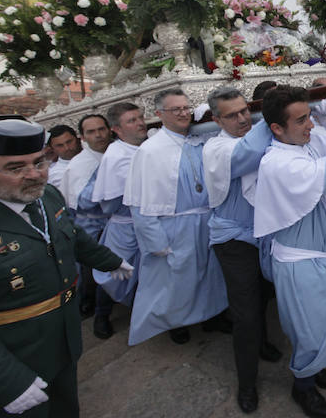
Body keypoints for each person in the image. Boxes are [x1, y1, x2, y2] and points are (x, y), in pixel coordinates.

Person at [0, 116, 132, 417]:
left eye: (39, 162)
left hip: (63, 340)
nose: (34, 175)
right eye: (15, 168)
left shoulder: (45, 195)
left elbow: (70, 235)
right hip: (12, 356)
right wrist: (6, 380)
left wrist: (109, 260)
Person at [253, 85, 326, 418]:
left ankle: (314, 368)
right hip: (300, 263)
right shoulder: (277, 162)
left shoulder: (306, 141)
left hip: (324, 254)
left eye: (309, 116)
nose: (310, 125)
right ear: (276, 128)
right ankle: (303, 386)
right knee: (308, 330)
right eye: (301, 120)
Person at [124, 88, 228, 345]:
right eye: (176, 109)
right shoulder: (150, 151)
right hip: (174, 226)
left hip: (205, 221)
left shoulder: (199, 138)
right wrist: (154, 241)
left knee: (210, 273)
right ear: (160, 114)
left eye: (186, 107)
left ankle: (212, 315)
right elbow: (139, 203)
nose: (184, 113)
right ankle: (175, 322)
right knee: (175, 280)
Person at [201, 87, 282, 414]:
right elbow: (246, 154)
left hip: (264, 233)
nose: (242, 119)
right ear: (216, 120)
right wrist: (277, 110)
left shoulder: (257, 132)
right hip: (233, 240)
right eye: (231, 115)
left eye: (245, 111)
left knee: (264, 296)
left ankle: (262, 342)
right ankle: (247, 383)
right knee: (245, 313)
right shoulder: (216, 147)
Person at [90, 103, 146, 338]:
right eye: (132, 120)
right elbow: (117, 197)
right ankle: (101, 315)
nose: (141, 122)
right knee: (112, 274)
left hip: (148, 223)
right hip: (125, 226)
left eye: (140, 117)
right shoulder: (116, 155)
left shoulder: (146, 145)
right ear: (117, 129)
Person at [59, 115, 112, 321]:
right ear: (82, 137)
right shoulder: (80, 164)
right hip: (92, 228)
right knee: (96, 275)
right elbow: (81, 200)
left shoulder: (117, 151)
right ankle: (99, 315)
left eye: (101, 129)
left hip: (118, 223)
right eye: (91, 132)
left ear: (110, 129)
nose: (98, 135)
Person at [46, 125, 81, 189]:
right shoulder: (56, 174)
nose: (67, 148)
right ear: (52, 148)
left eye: (69, 142)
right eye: (60, 145)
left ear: (77, 138)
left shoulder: (93, 154)